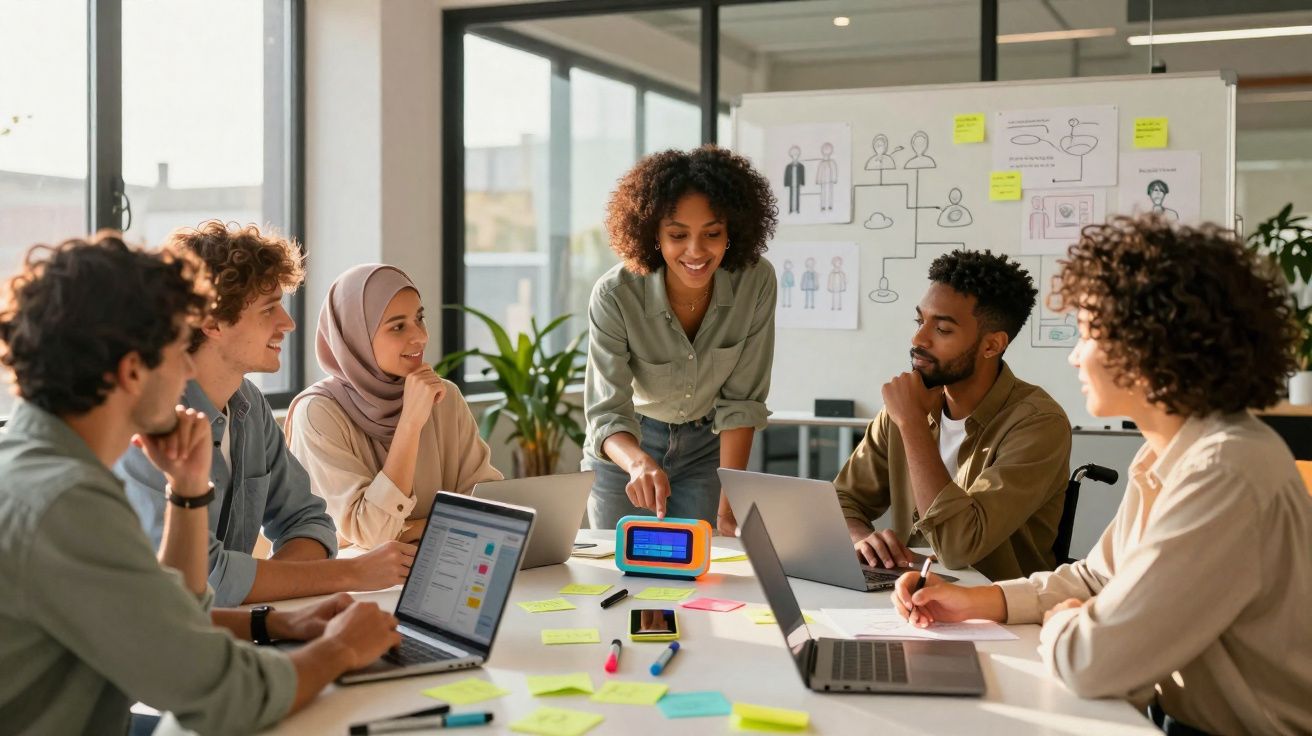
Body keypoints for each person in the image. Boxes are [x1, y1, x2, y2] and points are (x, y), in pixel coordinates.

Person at [892, 216, 1312, 736]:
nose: (1073, 356)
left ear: (1145, 347)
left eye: (1087, 334)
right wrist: (980, 601)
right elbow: (1097, 578)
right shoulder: (1167, 454)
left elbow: (1093, 661)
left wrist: (1066, 619)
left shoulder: (1224, 471)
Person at [0, 232, 398, 734]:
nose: (189, 366)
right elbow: (224, 695)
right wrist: (341, 649)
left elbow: (161, 621)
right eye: (176, 350)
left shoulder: (35, 465)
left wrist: (273, 619)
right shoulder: (67, 503)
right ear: (130, 372)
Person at [117, 221, 414, 607]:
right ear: (210, 321)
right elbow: (203, 582)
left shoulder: (249, 406)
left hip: (224, 633)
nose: (288, 324)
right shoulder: (147, 421)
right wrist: (353, 573)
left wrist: (274, 596)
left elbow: (310, 523)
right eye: (269, 309)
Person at [835, 250, 1070, 581]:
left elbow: (959, 548)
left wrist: (912, 423)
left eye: (942, 330)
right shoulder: (906, 407)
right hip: (907, 596)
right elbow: (842, 500)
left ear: (992, 345)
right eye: (920, 321)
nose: (918, 339)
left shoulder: (1037, 423)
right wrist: (860, 538)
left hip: (996, 614)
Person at [584, 146, 778, 534]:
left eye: (712, 233)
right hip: (628, 447)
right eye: (677, 235)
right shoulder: (615, 295)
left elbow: (742, 402)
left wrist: (730, 496)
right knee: (619, 572)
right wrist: (638, 462)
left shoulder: (755, 282)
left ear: (732, 233)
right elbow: (606, 413)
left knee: (698, 575)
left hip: (709, 448)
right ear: (653, 234)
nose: (696, 251)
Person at [287, 264, 501, 549]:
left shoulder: (443, 397)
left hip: (444, 565)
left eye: (419, 319)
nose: (421, 337)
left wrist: (416, 529)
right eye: (398, 326)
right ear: (355, 335)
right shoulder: (318, 413)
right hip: (360, 584)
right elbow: (371, 533)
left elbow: (490, 507)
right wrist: (410, 424)